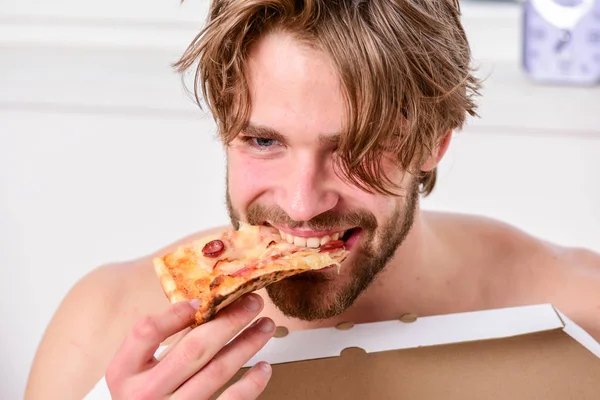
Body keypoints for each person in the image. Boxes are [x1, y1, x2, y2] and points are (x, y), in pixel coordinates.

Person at [25, 0, 600, 399]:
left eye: (355, 148)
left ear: (434, 142)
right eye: (264, 141)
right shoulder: (101, 328)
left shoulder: (581, 312)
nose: (302, 203)